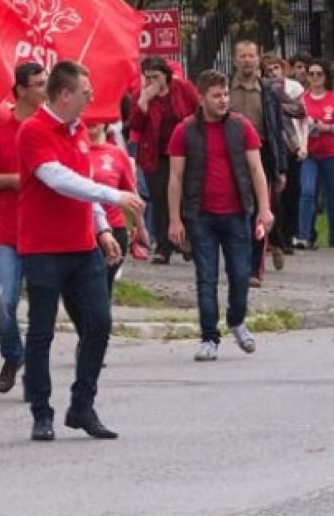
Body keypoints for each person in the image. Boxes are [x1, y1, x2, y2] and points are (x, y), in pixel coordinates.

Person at [17, 61, 144, 442]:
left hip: (81, 245)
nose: (91, 100)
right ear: (65, 94)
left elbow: (82, 183)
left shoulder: (78, 133)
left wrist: (102, 227)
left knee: (99, 323)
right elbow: (57, 179)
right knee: (41, 333)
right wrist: (113, 196)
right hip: (42, 249)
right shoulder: (33, 130)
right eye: (86, 94)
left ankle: (82, 405)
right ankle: (41, 411)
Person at [167, 70, 274, 361]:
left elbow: (256, 170)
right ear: (201, 98)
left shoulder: (242, 127)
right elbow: (175, 177)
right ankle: (208, 338)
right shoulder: (185, 130)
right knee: (206, 277)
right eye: (216, 96)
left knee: (241, 274)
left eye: (225, 94)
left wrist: (263, 208)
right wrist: (175, 219)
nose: (223, 100)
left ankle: (237, 320)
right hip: (200, 215)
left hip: (238, 212)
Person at [0, 62, 47, 394]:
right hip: (3, 233)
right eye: (39, 84)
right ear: (21, 90)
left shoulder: (51, 127)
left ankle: (35, 371)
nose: (46, 89)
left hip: (44, 235)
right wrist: (12, 181)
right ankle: (13, 355)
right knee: (1, 303)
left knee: (43, 307)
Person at [227, 39, 297, 287]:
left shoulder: (269, 90)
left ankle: (255, 269)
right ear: (235, 59)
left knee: (261, 209)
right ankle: (238, 263)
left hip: (261, 154)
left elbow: (276, 129)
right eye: (242, 56)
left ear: (258, 59)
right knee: (234, 212)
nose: (247, 60)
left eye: (251, 56)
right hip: (229, 155)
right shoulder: (226, 88)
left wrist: (280, 169)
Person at [129, 57, 199, 265]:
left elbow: (197, 112)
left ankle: (187, 240)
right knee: (160, 199)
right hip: (155, 153)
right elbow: (135, 126)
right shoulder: (141, 95)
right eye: (147, 77)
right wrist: (143, 103)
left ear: (165, 75)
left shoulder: (182, 88)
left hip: (183, 151)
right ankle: (163, 245)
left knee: (186, 196)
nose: (152, 81)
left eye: (155, 76)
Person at [296, 60, 334, 249]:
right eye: (311, 74)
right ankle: (303, 236)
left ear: (326, 77)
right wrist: (308, 128)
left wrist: (329, 127)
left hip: (332, 153)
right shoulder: (302, 98)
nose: (315, 78)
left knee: (333, 199)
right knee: (307, 192)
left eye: (319, 74)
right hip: (310, 153)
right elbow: (296, 123)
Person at [87, 121, 139, 293]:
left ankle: (103, 318)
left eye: (96, 118)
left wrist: (134, 226)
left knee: (104, 285)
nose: (91, 123)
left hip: (115, 228)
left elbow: (129, 194)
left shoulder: (117, 154)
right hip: (83, 229)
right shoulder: (74, 150)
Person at [264, 55, 307, 255]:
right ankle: (274, 238)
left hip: (289, 144)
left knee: (292, 193)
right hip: (270, 146)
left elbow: (299, 110)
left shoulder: (281, 91)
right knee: (274, 196)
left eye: (276, 68)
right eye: (269, 69)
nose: (273, 73)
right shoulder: (263, 89)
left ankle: (288, 236)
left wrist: (277, 108)